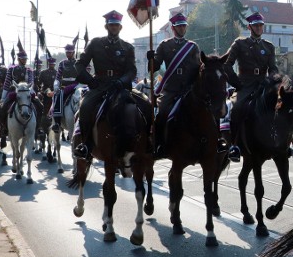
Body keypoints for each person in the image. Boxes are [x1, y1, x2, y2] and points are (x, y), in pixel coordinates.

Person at [72, 10, 137, 159]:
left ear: (120, 27)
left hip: (119, 87)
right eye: (111, 25)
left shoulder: (128, 47)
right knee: (85, 107)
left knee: (138, 107)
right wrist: (89, 80)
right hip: (99, 85)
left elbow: (132, 70)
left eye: (116, 25)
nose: (114, 27)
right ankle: (86, 144)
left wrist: (122, 81)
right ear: (106, 26)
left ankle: (139, 142)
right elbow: (80, 64)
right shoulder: (95, 43)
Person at [223, 12, 286, 162]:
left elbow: (273, 68)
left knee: (280, 107)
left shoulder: (268, 46)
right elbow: (227, 64)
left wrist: (272, 80)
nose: (259, 28)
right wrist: (236, 83)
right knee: (237, 108)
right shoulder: (239, 43)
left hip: (263, 84)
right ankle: (234, 145)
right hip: (245, 84)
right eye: (256, 25)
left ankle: (284, 143)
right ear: (249, 27)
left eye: (261, 25)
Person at [148, 12, 201, 158]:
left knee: (208, 109)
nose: (182, 28)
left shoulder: (192, 47)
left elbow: (198, 68)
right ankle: (158, 145)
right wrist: (151, 59)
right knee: (162, 114)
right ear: (173, 28)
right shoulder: (165, 45)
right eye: (179, 26)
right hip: (171, 89)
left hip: (189, 89)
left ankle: (213, 142)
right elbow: (155, 67)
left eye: (184, 26)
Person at [0, 46, 35, 143]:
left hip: (26, 91)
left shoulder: (29, 70)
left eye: (26, 59)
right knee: (2, 108)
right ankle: (4, 127)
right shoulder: (11, 69)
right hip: (14, 91)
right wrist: (3, 97)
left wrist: (31, 91)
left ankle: (38, 127)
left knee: (39, 105)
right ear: (19, 59)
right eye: (23, 59)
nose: (25, 61)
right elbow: (6, 83)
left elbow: (31, 81)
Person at [52, 44, 79, 132]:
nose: (69, 54)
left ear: (73, 52)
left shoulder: (79, 63)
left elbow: (83, 75)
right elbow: (58, 77)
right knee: (58, 96)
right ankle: (57, 122)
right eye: (67, 53)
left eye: (70, 53)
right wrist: (56, 84)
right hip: (65, 87)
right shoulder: (62, 63)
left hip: (78, 86)